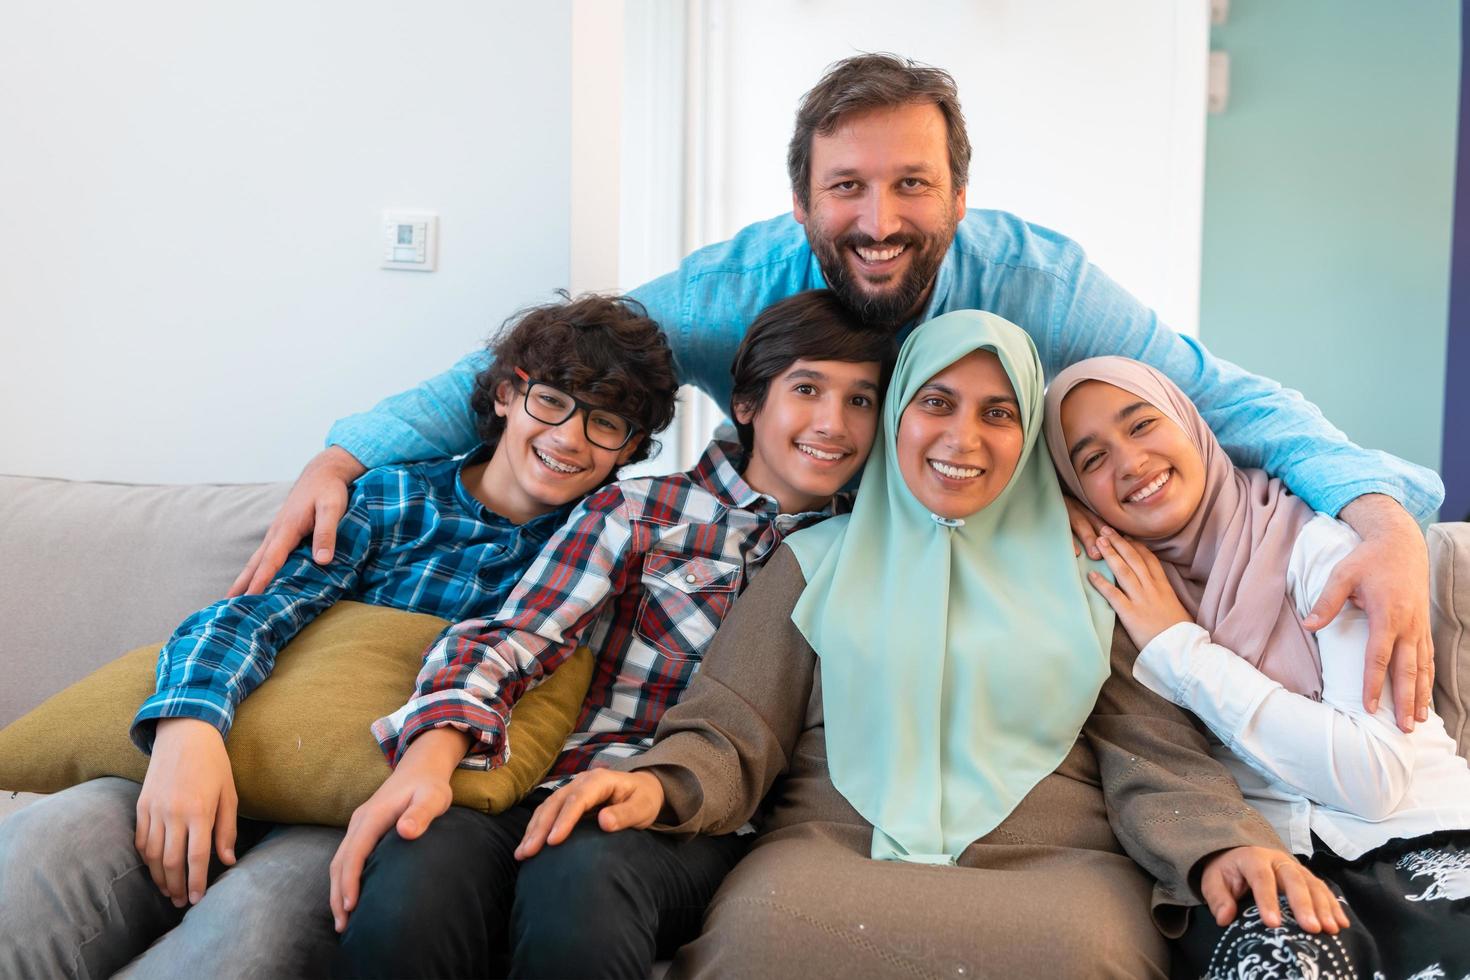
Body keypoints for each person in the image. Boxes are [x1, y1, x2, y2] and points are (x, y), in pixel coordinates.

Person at [232, 53, 1442, 733]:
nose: (879, 220)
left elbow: (1213, 396)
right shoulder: (736, 286)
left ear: (958, 197)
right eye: (847, 188)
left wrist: (1383, 519)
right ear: (804, 200)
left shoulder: (1039, 279)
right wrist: (348, 453)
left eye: (912, 185)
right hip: (772, 591)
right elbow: (559, 361)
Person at [513, 310, 1347, 978]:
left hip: (1057, 867)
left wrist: (1224, 844)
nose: (963, 437)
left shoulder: (1092, 570)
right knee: (762, 936)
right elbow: (732, 730)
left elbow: (1156, 755)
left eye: (998, 413)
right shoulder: (814, 560)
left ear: (1030, 441)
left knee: (1080, 955)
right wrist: (656, 788)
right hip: (829, 852)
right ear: (899, 415)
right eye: (936, 404)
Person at [0, 294, 678, 980]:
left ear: (630, 448)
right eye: (553, 402)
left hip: (349, 808)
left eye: (607, 425)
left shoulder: (606, 548)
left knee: (254, 922)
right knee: (46, 842)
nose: (569, 438)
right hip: (233, 748)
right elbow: (258, 611)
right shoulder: (392, 499)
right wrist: (188, 728)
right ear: (506, 393)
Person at [328, 289, 896, 979]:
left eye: (861, 400)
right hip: (547, 778)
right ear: (746, 404)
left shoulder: (872, 549)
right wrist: (427, 761)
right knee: (415, 876)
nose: (832, 423)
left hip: (690, 818)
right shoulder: (641, 511)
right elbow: (512, 639)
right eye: (806, 388)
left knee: (584, 875)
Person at [1044, 356, 1470, 978]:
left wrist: (1181, 651)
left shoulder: (1319, 545)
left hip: (1424, 838)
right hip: (1267, 864)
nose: (1129, 463)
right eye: (1091, 460)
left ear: (1192, 425)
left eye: (1142, 425)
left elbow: (1372, 779)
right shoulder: (1119, 594)